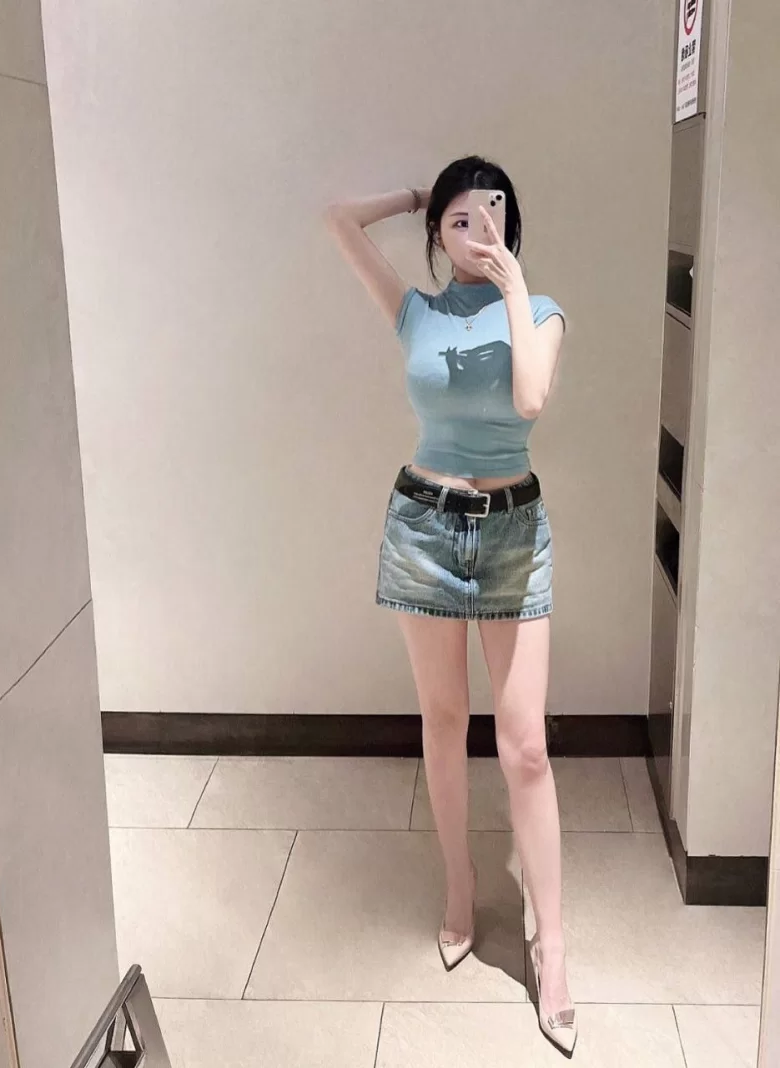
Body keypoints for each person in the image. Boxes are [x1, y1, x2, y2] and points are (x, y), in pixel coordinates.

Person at [324, 155, 577, 1057]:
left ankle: (553, 947)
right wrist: (412, 198)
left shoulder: (540, 312)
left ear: (513, 224)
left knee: (526, 745)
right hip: (424, 526)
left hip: (512, 532)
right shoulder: (416, 313)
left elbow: (530, 401)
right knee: (442, 718)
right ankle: (462, 887)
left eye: (492, 215)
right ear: (437, 231)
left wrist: (511, 283)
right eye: (460, 219)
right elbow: (337, 220)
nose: (477, 231)